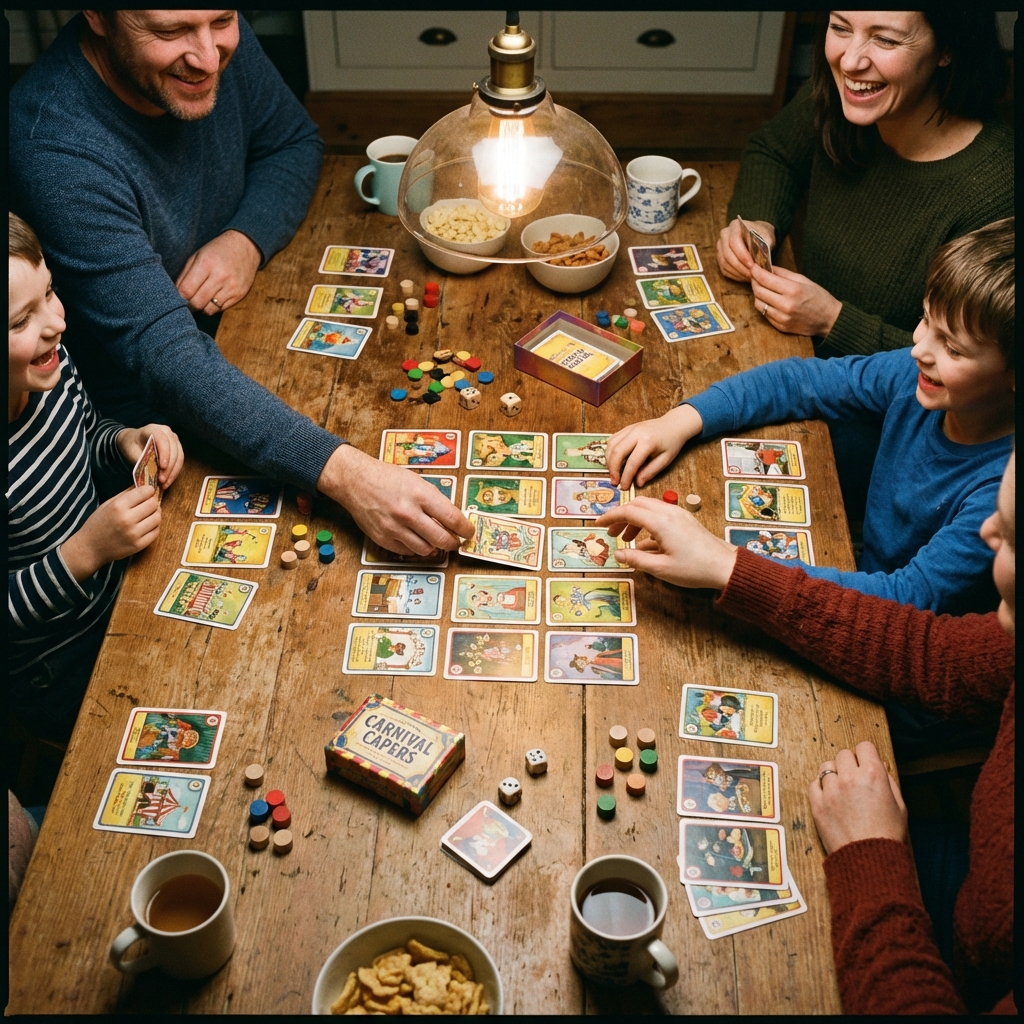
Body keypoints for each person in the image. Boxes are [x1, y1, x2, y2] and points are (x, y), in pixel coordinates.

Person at [9, 10, 472, 559]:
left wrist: (246, 238)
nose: (207, 57)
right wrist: (351, 477)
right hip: (157, 426)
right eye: (169, 32)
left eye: (223, 20)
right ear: (98, 16)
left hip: (252, 329)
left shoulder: (207, 32)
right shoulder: (52, 142)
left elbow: (292, 141)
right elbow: (166, 356)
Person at [595, 451, 1015, 1014]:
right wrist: (729, 567)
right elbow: (928, 654)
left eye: (1012, 536)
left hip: (945, 952)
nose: (987, 528)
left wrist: (872, 854)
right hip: (976, 883)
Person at [606, 219, 1014, 616]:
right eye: (925, 320)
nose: (918, 350)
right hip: (855, 571)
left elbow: (905, 599)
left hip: (894, 629)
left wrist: (721, 563)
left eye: (953, 349)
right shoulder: (915, 375)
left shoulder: (1001, 491)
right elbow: (803, 380)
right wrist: (683, 419)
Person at [718, 9, 1012, 357]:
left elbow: (972, 368)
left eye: (885, 39)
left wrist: (831, 321)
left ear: (947, 49)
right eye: (840, 28)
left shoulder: (998, 189)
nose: (850, 62)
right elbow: (774, 152)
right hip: (790, 359)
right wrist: (759, 222)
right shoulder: (834, 95)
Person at [8, 213, 185, 742]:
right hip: (55, 671)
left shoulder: (49, 366)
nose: (56, 323)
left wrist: (124, 441)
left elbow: (84, 434)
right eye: (20, 321)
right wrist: (85, 551)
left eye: (51, 293)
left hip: (120, 597)